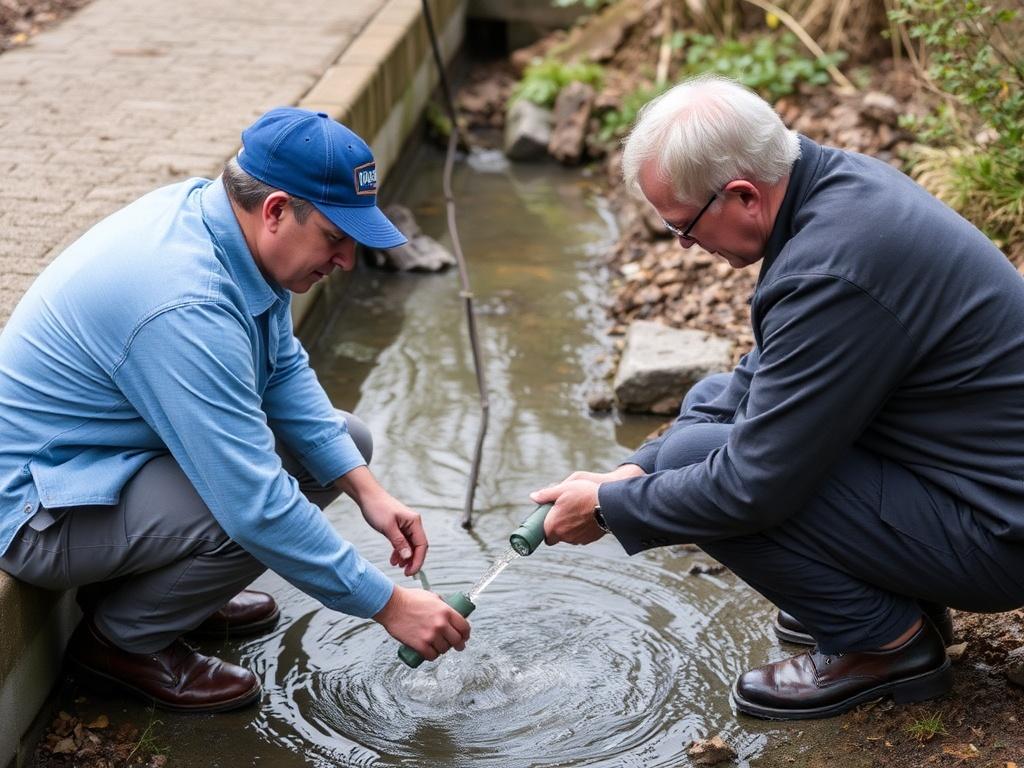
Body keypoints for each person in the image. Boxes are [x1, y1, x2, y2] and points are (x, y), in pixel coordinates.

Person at [531, 75, 1024, 720]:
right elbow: (757, 374)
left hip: (997, 533)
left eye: (684, 228)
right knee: (702, 419)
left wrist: (609, 507)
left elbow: (751, 488)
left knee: (710, 476)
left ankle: (884, 644)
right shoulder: (835, 190)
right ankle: (886, 595)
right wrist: (641, 464)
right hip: (967, 479)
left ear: (742, 194)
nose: (685, 246)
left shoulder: (832, 269)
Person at [0, 108, 471, 713]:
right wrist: (388, 604)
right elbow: (255, 505)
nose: (348, 261)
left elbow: (282, 369)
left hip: (98, 466)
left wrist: (368, 492)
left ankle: (175, 593)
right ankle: (122, 643)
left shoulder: (219, 222)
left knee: (344, 444)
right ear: (276, 209)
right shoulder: (184, 303)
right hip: (37, 511)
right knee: (258, 503)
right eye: (336, 238)